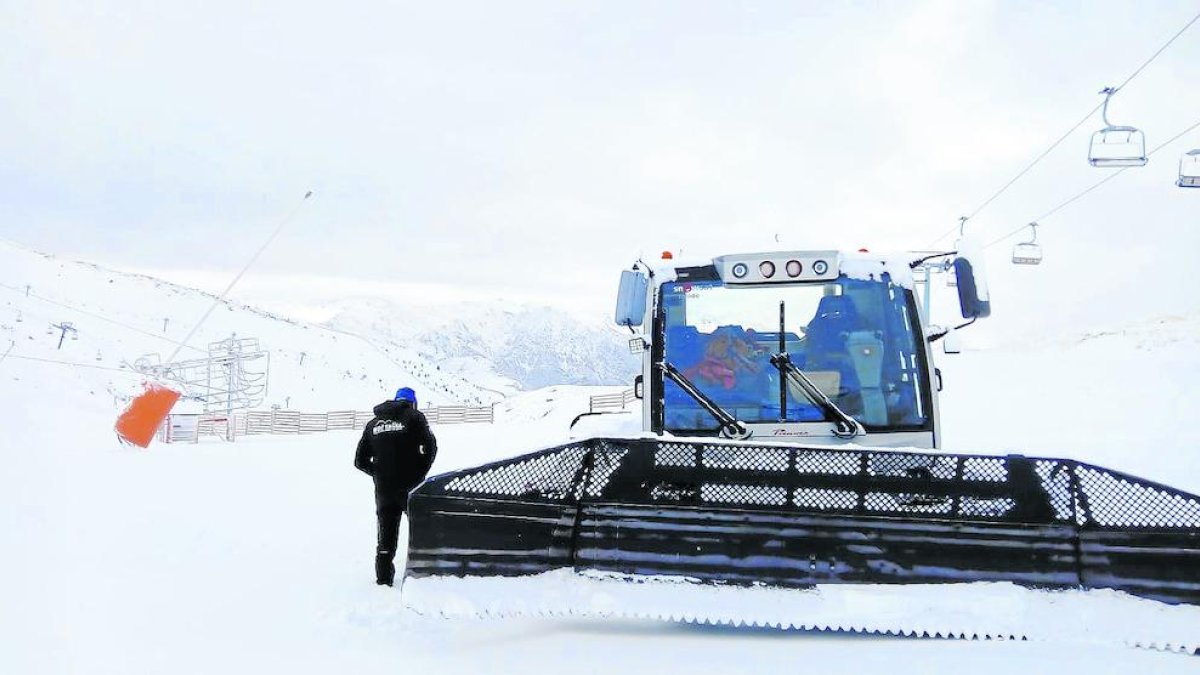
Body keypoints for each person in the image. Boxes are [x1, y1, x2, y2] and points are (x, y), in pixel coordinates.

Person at [354, 387, 438, 586]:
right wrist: (420, 470)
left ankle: (383, 579)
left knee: (386, 534)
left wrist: (379, 473)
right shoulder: (415, 417)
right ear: (412, 402)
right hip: (411, 487)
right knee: (421, 529)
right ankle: (424, 574)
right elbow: (431, 447)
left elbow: (359, 460)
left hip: (384, 490)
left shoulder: (372, 424)